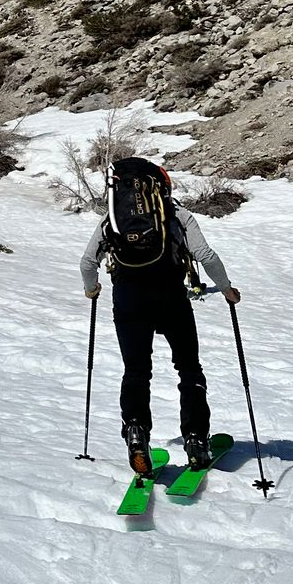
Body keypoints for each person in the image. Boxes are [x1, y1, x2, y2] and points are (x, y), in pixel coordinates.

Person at [80, 159, 241, 476]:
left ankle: (136, 433)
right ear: (161, 185)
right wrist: (226, 289)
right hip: (171, 299)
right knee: (189, 368)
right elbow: (205, 255)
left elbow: (87, 263)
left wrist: (92, 289)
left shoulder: (113, 219)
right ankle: (196, 440)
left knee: (136, 371)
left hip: (128, 301)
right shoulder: (177, 214)